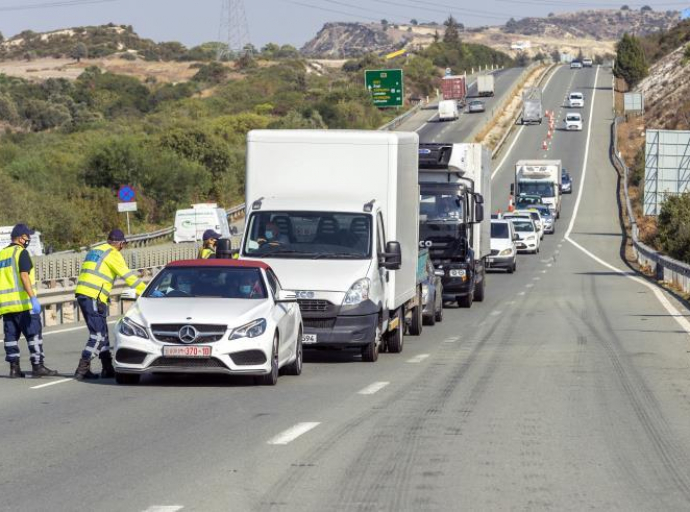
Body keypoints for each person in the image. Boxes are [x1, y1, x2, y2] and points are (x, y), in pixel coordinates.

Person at [73, 229, 146, 380]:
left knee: (102, 332)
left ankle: (107, 368)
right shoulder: (113, 254)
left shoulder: (96, 250)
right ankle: (82, 368)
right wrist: (146, 292)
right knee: (98, 335)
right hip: (94, 295)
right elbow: (129, 277)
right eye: (123, 244)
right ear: (119, 243)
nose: (123, 248)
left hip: (84, 293)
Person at [0, 224, 58, 378]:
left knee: (11, 338)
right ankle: (37, 366)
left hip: (6, 307)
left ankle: (14, 368)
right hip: (23, 304)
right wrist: (33, 297)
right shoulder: (21, 253)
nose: (29, 239)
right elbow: (24, 276)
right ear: (20, 238)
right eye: (27, 237)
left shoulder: (1, 255)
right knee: (34, 335)